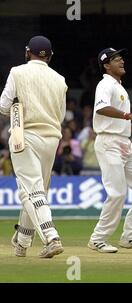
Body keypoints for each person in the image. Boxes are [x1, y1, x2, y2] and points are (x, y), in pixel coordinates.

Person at [0, 35, 66, 258]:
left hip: (24, 136)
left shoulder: (17, 72)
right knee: (36, 192)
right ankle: (23, 241)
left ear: (28, 52)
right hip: (51, 139)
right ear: (50, 56)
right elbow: (62, 115)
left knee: (32, 191)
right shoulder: (60, 79)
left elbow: (3, 106)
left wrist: (18, 107)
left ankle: (51, 237)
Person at [88, 47, 132, 253]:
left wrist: (130, 127)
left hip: (124, 142)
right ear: (106, 65)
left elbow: (112, 120)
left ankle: (130, 236)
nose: (121, 61)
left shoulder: (119, 86)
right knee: (117, 193)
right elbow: (100, 108)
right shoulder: (105, 84)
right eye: (116, 59)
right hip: (109, 144)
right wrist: (129, 117)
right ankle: (98, 238)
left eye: (121, 58)